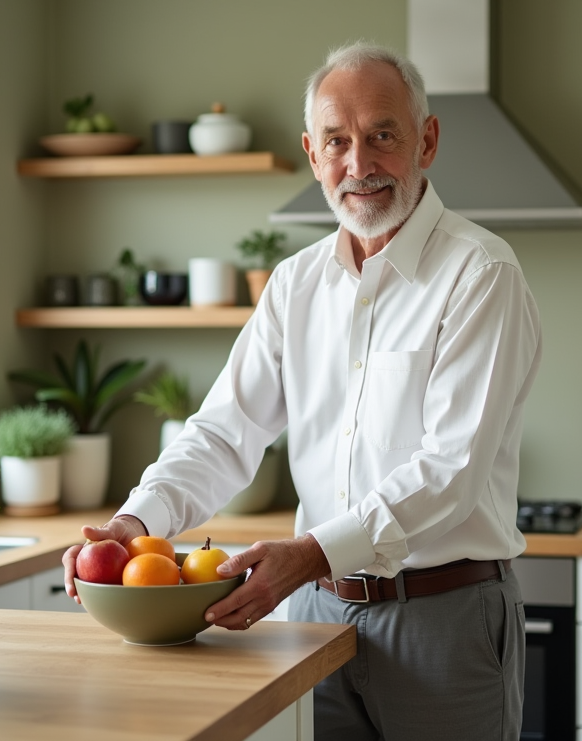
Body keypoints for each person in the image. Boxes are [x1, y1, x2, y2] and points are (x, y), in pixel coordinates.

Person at [62, 41, 542, 741]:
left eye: (383, 135)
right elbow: (225, 432)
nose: (360, 165)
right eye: (337, 142)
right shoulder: (295, 284)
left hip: (444, 616)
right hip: (312, 614)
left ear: (427, 141)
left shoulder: (481, 274)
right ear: (313, 155)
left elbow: (452, 471)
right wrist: (137, 522)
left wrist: (311, 553)